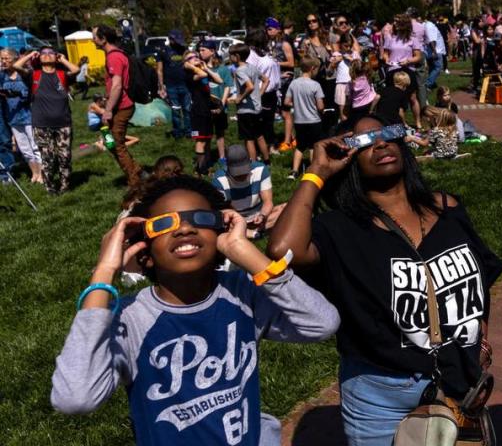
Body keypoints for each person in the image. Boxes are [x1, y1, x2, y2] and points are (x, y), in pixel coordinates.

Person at [51, 174, 340, 445]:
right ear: (144, 252)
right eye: (164, 224)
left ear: (220, 232)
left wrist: (248, 254)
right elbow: (75, 397)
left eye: (200, 219)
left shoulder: (241, 293)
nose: (185, 229)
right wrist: (104, 271)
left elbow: (321, 323)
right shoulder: (130, 318)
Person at [267, 120, 502, 445]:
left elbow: (479, 281)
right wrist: (317, 172)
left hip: (458, 381)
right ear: (347, 158)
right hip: (379, 394)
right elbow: (283, 251)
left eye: (386, 134)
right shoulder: (340, 229)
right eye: (364, 141)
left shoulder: (446, 207)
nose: (379, 145)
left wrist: (480, 345)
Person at [13, 48, 79, 195]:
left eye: (51, 53)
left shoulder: (62, 75)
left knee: (65, 157)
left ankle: (65, 187)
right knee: (47, 158)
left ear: (56, 57)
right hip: (41, 125)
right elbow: (16, 66)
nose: (47, 55)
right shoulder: (33, 75)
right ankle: (50, 188)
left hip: (64, 123)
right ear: (39, 58)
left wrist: (62, 59)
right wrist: (30, 55)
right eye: (43, 53)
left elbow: (75, 70)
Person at [93, 24, 144, 186]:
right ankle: (139, 172)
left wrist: (107, 111)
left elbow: (117, 85)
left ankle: (135, 182)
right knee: (113, 144)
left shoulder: (113, 57)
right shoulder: (116, 54)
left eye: (94, 37)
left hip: (121, 106)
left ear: (103, 39)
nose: (92, 40)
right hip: (120, 105)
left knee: (117, 145)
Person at [213, 144, 282, 234]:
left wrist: (262, 216)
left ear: (250, 161)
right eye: (236, 172)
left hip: (258, 213)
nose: (241, 176)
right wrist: (239, 221)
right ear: (227, 166)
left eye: (244, 171)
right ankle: (257, 231)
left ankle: (248, 232)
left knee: (286, 208)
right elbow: (224, 210)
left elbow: (268, 201)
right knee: (219, 221)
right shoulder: (219, 179)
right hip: (236, 219)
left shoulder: (261, 169)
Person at [1, 48, 42, 183]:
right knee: (24, 148)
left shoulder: (24, 73)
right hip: (12, 116)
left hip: (28, 114)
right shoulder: (2, 76)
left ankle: (41, 173)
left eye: (6, 58)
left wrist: (29, 55)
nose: (4, 61)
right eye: (1, 58)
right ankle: (34, 173)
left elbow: (18, 67)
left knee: (35, 145)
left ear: (15, 58)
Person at [284, 57, 326, 179]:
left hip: (299, 121)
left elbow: (287, 102)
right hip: (314, 120)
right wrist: (321, 110)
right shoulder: (315, 85)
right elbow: (320, 106)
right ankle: (312, 171)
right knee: (313, 146)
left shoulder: (294, 83)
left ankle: (294, 171)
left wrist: (297, 104)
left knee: (300, 146)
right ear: (312, 68)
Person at [227, 43, 267, 165]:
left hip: (246, 110)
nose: (229, 58)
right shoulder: (252, 67)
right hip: (257, 108)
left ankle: (253, 164)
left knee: (248, 139)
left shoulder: (239, 71)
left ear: (237, 56)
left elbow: (249, 86)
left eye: (231, 56)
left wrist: (239, 98)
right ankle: (267, 160)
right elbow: (266, 80)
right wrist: (259, 94)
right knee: (259, 136)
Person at [183, 51, 222, 175]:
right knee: (200, 141)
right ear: (186, 63)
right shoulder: (189, 75)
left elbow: (219, 80)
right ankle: (199, 169)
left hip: (206, 111)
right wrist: (192, 67)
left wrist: (206, 68)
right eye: (191, 58)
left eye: (196, 56)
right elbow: (201, 74)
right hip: (197, 112)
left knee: (208, 140)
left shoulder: (202, 73)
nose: (195, 58)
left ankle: (206, 166)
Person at [381, 14, 423, 123]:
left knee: (412, 97)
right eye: (394, 21)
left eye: (397, 21)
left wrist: (408, 61)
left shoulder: (413, 39)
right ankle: (402, 124)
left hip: (408, 70)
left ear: (404, 23)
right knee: (396, 99)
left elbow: (418, 57)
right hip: (393, 70)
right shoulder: (390, 38)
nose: (394, 23)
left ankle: (418, 122)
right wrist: (386, 60)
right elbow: (385, 54)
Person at [267, 17, 297, 152]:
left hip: (286, 81)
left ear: (278, 29)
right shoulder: (273, 43)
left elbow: (291, 63)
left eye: (270, 29)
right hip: (278, 80)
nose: (268, 31)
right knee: (281, 112)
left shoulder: (284, 43)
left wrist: (275, 64)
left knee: (285, 112)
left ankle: (287, 142)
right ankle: (292, 138)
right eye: (267, 29)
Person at [156, 29, 191, 139]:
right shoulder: (163, 51)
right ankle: (177, 132)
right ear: (170, 39)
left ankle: (189, 131)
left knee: (187, 109)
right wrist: (161, 85)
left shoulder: (184, 50)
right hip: (171, 85)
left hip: (185, 84)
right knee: (175, 110)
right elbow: (159, 70)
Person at [424, 15, 446, 90]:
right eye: (434, 17)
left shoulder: (427, 25)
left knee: (432, 68)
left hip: (429, 51)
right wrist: (434, 51)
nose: (436, 19)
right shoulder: (430, 25)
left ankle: (431, 84)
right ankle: (428, 84)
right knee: (438, 67)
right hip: (435, 50)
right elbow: (432, 39)